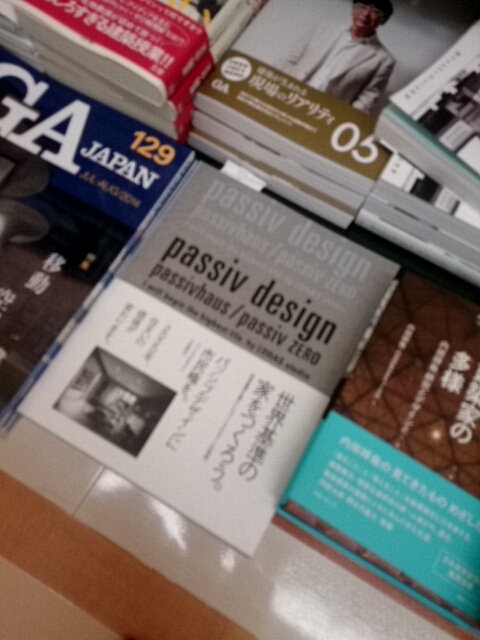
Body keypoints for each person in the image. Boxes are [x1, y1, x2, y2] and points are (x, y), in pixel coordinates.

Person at [276, 0, 395, 114]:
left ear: (383, 20)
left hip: (322, 113)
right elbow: (287, 60)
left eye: (375, 11)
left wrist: (339, 117)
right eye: (362, 7)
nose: (365, 14)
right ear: (353, 9)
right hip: (286, 94)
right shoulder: (321, 29)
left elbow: (366, 100)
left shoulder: (383, 60)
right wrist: (280, 85)